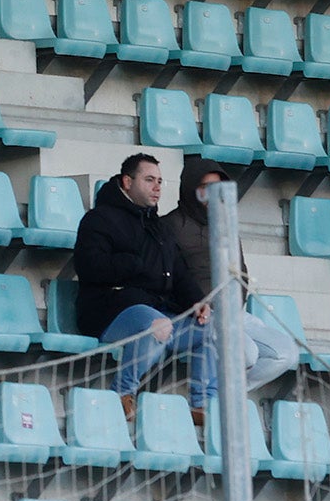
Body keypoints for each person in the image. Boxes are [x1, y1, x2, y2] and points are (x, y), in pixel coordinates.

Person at [75, 153, 210, 424]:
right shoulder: (98, 219)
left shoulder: (158, 228)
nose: (157, 187)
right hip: (108, 310)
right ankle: (122, 393)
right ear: (127, 182)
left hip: (155, 311)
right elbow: (89, 267)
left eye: (160, 181)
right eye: (149, 180)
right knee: (156, 325)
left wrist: (198, 302)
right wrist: (133, 264)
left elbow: (180, 274)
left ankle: (202, 404)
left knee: (209, 328)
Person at [163, 159, 299, 409]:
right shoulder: (169, 225)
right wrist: (199, 305)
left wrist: (232, 305)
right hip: (198, 314)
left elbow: (241, 273)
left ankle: (225, 398)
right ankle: (215, 402)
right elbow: (169, 277)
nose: (212, 195)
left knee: (286, 353)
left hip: (233, 311)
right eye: (205, 187)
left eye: (218, 187)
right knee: (247, 353)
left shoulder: (227, 226)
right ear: (190, 188)